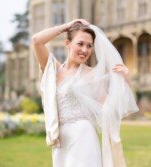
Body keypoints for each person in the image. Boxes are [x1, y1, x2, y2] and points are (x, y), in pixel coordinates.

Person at [32, 19, 138, 167]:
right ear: (68, 44)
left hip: (84, 138)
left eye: (89, 46)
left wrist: (125, 82)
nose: (85, 50)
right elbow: (36, 40)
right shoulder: (53, 70)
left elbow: (110, 109)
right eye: (80, 44)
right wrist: (67, 26)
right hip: (60, 142)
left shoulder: (93, 76)